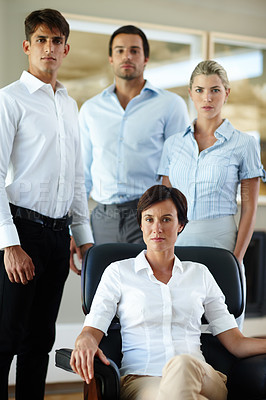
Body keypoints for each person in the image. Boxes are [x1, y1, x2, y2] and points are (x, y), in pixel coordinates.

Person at [70, 184, 266, 400]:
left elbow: (236, 343)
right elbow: (91, 331)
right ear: (141, 224)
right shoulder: (118, 273)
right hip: (143, 382)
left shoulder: (200, 274)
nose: (157, 228)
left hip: (201, 375)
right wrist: (84, 342)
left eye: (166, 219)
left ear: (180, 225)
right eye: (149, 219)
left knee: (183, 365)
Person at [0, 9, 93, 399]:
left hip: (57, 238)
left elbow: (75, 177)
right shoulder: (9, 100)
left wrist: (82, 238)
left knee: (39, 342)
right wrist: (10, 243)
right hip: (21, 233)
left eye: (56, 41)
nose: (49, 47)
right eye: (41, 39)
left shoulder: (68, 105)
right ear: (27, 46)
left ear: (66, 49)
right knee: (6, 339)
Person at [158, 60, 265, 330]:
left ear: (226, 93)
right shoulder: (173, 144)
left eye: (215, 90)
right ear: (191, 93)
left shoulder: (244, 143)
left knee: (221, 326)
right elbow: (165, 202)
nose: (208, 97)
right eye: (200, 90)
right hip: (177, 244)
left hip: (221, 242)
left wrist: (236, 257)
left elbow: (249, 207)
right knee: (178, 325)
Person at [78, 24, 190, 246]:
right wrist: (78, 231)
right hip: (102, 218)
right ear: (111, 58)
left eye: (134, 50)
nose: (126, 56)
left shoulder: (170, 105)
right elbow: (82, 175)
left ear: (145, 58)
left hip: (149, 215)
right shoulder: (91, 109)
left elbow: (180, 167)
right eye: (119, 50)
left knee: (148, 280)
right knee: (99, 280)